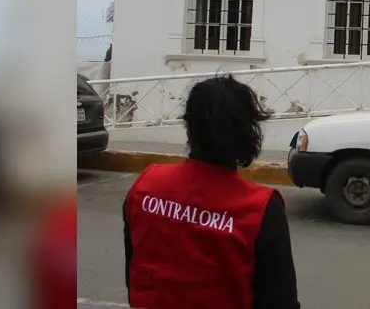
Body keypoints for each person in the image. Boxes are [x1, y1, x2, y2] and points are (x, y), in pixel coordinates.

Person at [123, 75, 300, 309]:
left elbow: (133, 272)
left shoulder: (145, 186)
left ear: (189, 127)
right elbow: (279, 302)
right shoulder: (260, 208)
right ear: (249, 132)